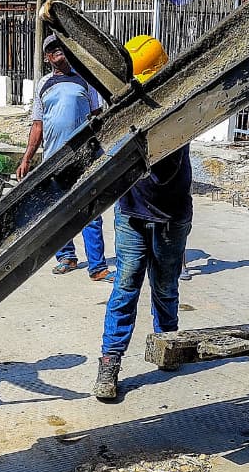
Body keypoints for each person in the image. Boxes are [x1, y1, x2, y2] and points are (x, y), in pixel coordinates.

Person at [92, 36, 189, 402]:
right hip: (131, 214)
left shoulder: (179, 109)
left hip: (169, 216)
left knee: (165, 289)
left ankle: (168, 344)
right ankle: (110, 362)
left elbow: (165, 173)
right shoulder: (123, 105)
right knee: (125, 289)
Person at [17, 34, 111, 281]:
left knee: (90, 210)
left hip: (83, 157)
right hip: (53, 159)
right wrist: (27, 158)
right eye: (52, 50)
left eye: (61, 47)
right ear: (48, 57)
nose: (57, 51)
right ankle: (66, 257)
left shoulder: (86, 81)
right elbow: (37, 125)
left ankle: (97, 266)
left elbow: (98, 118)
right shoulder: (43, 85)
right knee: (58, 212)